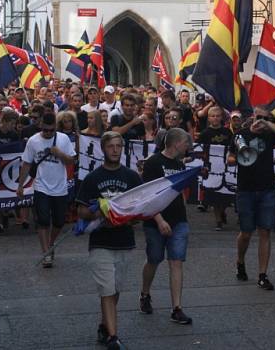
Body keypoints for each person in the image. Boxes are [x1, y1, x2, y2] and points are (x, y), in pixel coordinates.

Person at [76, 132, 143, 350]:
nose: (115, 150)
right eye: (111, 146)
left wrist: (128, 217)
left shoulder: (132, 177)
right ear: (103, 149)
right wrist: (98, 212)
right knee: (106, 289)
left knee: (115, 290)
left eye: (118, 146)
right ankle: (113, 338)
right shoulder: (92, 178)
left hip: (124, 241)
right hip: (100, 241)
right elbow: (81, 210)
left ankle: (105, 326)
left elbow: (140, 209)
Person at [231, 107, 275, 290]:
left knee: (265, 231)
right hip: (246, 189)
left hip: (267, 189)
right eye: (259, 117)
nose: (261, 121)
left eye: (265, 118)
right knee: (246, 232)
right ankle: (240, 261)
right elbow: (231, 156)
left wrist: (269, 125)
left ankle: (262, 275)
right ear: (252, 117)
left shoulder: (270, 135)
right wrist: (235, 158)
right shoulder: (240, 134)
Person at [138, 128, 193, 325]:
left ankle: (176, 307)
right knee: (154, 259)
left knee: (176, 261)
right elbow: (147, 195)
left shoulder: (178, 164)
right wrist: (160, 220)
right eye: (186, 143)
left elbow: (178, 193)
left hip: (178, 220)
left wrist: (184, 215)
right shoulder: (153, 163)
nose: (188, 147)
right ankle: (145, 293)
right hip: (156, 221)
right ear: (177, 143)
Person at [16, 112, 77, 268]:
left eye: (51, 130)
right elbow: (26, 163)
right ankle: (46, 252)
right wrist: (20, 185)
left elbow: (72, 160)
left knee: (59, 221)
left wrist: (60, 154)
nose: (48, 133)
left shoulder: (63, 139)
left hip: (60, 187)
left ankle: (51, 243)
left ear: (55, 128)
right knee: (42, 220)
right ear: (41, 127)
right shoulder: (33, 141)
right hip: (41, 186)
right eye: (45, 130)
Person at [197, 106, 233, 230]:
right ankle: (218, 220)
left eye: (218, 116)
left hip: (225, 166)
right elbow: (200, 150)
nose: (215, 118)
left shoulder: (227, 132)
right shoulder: (205, 133)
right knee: (214, 195)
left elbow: (232, 148)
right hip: (212, 168)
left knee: (225, 193)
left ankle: (222, 211)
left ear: (221, 118)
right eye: (213, 116)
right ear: (209, 118)